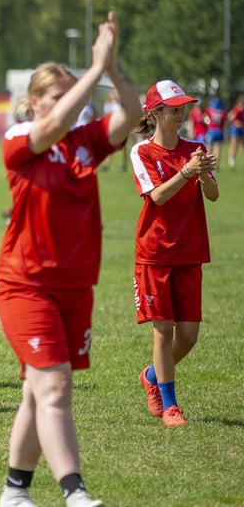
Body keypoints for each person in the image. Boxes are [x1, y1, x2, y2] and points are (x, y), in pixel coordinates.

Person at [0, 12, 141, 507]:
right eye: (55, 95)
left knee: (38, 393)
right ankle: (74, 492)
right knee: (55, 386)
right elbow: (55, 124)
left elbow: (133, 111)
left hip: (76, 286)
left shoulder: (86, 142)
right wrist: (94, 71)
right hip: (25, 285)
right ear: (33, 103)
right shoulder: (20, 139)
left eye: (68, 93)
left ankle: (14, 494)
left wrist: (111, 66)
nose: (65, 104)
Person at [130, 80, 219, 428]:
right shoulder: (142, 152)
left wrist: (204, 176)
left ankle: (152, 375)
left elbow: (212, 195)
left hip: (190, 249)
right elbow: (157, 197)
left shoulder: (196, 147)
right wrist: (186, 172)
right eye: (174, 108)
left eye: (183, 107)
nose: (181, 113)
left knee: (189, 336)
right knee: (163, 331)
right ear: (155, 113)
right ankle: (171, 406)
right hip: (154, 252)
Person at [203, 97, 226, 165]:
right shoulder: (222, 111)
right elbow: (225, 121)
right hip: (220, 131)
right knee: (218, 149)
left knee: (209, 147)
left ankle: (207, 163)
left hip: (211, 131)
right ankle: (216, 164)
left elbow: (204, 117)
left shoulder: (209, 110)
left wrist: (208, 123)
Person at [226, 95, 244, 169]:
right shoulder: (237, 109)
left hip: (242, 129)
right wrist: (236, 123)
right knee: (234, 145)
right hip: (235, 130)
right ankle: (231, 160)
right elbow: (230, 117)